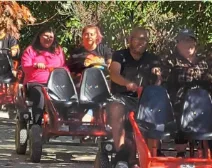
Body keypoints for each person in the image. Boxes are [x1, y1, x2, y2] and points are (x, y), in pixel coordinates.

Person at [107, 27, 162, 168]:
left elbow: (158, 77)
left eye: (145, 39)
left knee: (158, 109)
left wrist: (157, 78)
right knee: (115, 108)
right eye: (138, 38)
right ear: (130, 40)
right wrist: (127, 83)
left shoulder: (152, 58)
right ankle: (121, 155)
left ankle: (152, 155)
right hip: (122, 97)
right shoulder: (120, 55)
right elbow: (114, 74)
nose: (141, 42)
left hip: (145, 98)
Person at [165, 29, 209, 157]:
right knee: (179, 109)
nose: (189, 44)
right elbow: (163, 77)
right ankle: (181, 152)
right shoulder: (171, 62)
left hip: (203, 101)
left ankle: (207, 151)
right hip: (180, 100)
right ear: (178, 44)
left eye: (191, 41)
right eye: (185, 41)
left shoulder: (204, 62)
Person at [21, 25, 68, 125]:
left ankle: (62, 121)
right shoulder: (31, 50)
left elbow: (63, 65)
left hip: (55, 83)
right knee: (39, 95)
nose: (48, 39)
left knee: (67, 94)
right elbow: (25, 66)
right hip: (36, 82)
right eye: (45, 36)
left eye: (51, 37)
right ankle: (36, 124)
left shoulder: (58, 50)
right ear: (39, 37)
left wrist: (66, 72)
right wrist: (35, 65)